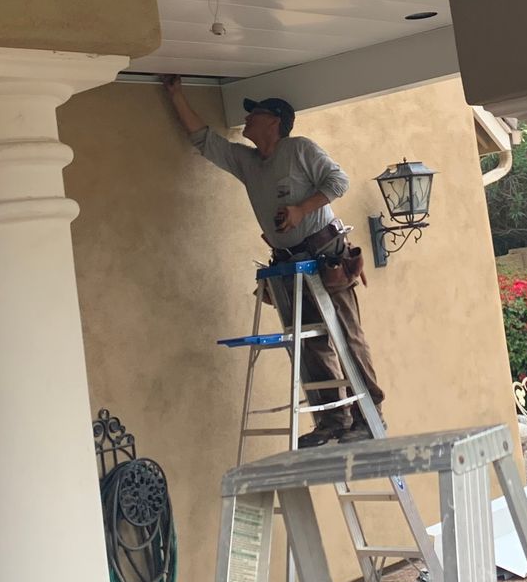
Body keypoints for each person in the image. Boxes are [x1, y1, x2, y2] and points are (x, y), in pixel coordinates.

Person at [161, 80, 382, 445]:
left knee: (345, 335)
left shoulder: (298, 149)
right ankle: (333, 420)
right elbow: (204, 140)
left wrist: (300, 209)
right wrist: (176, 95)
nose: (247, 118)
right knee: (309, 345)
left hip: (325, 256)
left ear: (275, 121)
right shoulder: (249, 163)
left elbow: (338, 181)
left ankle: (369, 415)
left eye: (256, 114)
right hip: (290, 267)